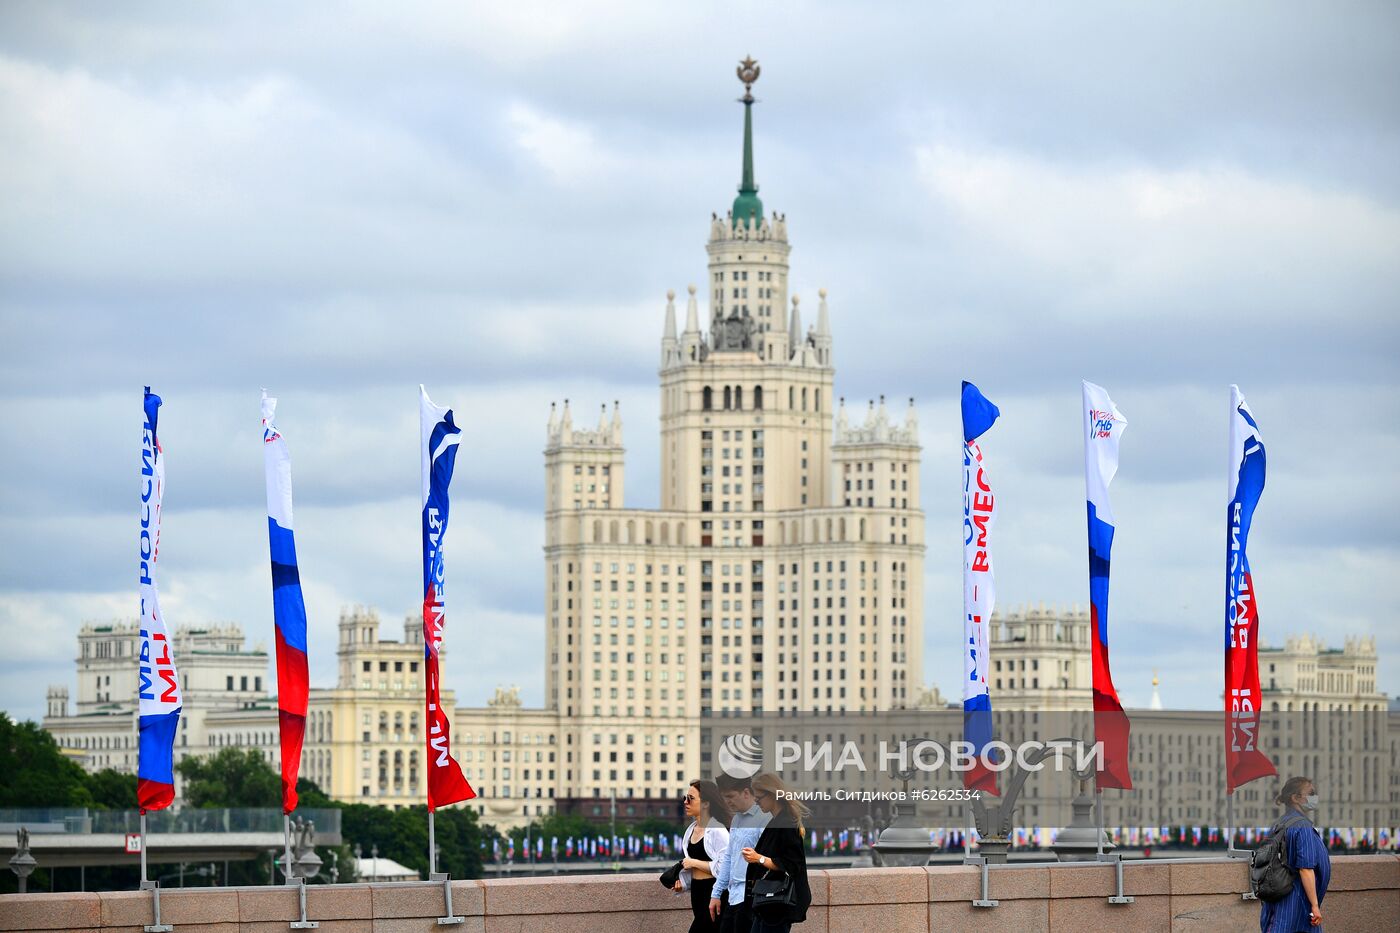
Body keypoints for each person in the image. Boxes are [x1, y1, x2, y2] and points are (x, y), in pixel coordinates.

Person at [741, 772, 811, 933]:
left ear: (772, 795)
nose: (757, 803)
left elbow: (792, 864)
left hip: (778, 903)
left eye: (759, 799)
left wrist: (758, 859)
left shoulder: (786, 822)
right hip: (768, 902)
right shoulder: (777, 821)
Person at [1260, 775, 1330, 932]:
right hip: (1297, 906)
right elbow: (1306, 869)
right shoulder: (1302, 826)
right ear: (1296, 798)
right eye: (1311, 793)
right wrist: (1315, 905)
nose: (1315, 797)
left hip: (1278, 901)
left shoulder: (1280, 823)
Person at [709, 773, 772, 933]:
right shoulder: (736, 819)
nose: (727, 801)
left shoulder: (764, 818)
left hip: (751, 897)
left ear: (745, 792)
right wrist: (716, 894)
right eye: (724, 797)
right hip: (733, 896)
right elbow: (729, 857)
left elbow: (769, 859)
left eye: (730, 796)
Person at [673, 778, 731, 933]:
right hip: (698, 893)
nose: (685, 802)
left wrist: (694, 863)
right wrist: (682, 885)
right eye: (685, 798)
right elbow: (692, 870)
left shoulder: (718, 830)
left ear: (706, 803)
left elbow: (726, 867)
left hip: (715, 893)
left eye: (691, 799)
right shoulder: (690, 830)